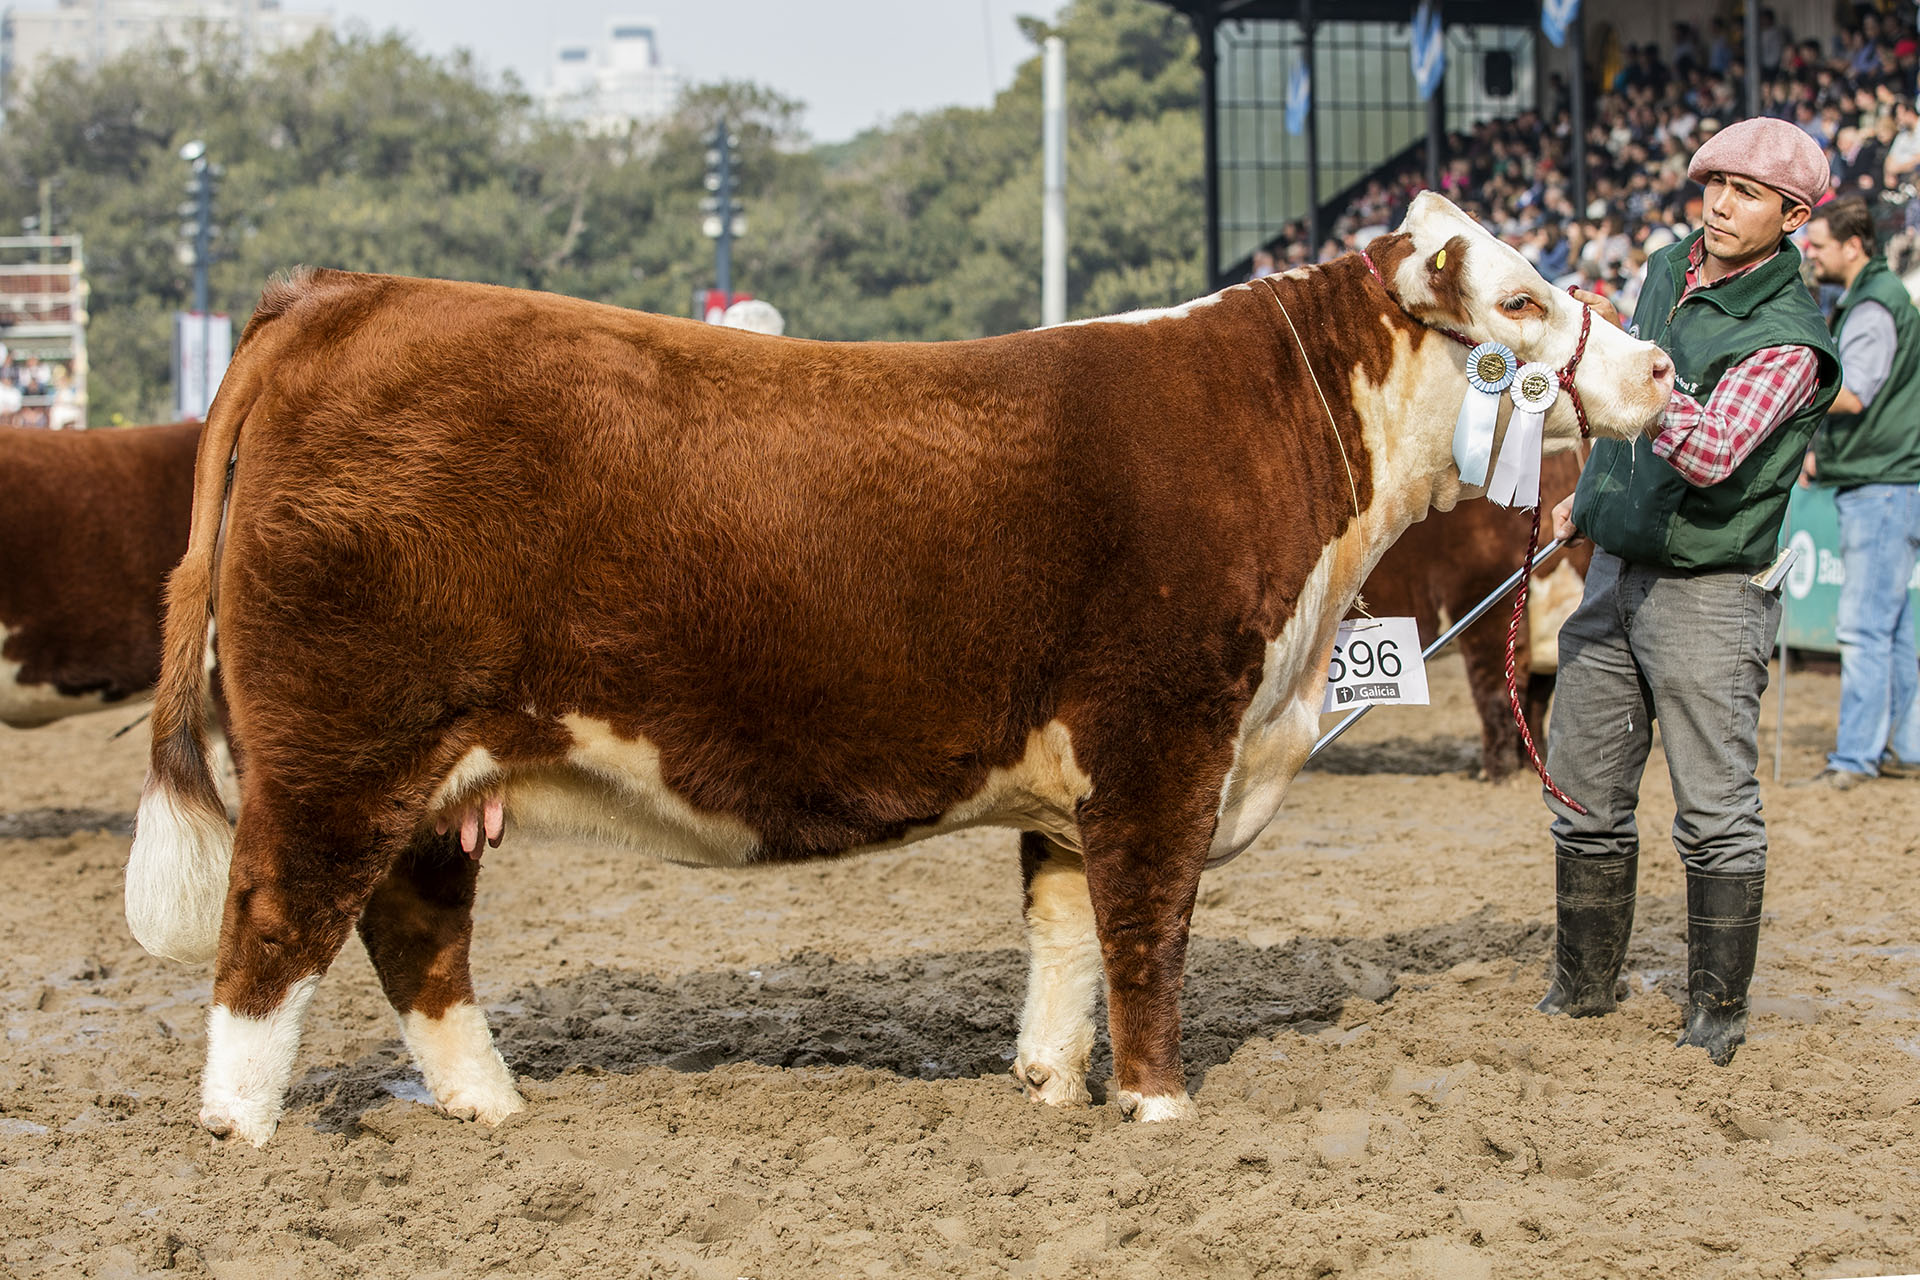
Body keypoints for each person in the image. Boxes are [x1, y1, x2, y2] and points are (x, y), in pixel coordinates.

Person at [1539, 117, 1841, 1067]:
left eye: (1746, 194)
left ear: (1793, 216)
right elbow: (1619, 419)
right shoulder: (1668, 267)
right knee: (1583, 792)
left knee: (1714, 812)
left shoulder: (1793, 340)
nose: (1717, 205)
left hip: (1712, 592)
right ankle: (1583, 987)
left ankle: (1716, 1012)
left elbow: (1708, 453)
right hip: (1616, 573)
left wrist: (1630, 376)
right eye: (1713, 183)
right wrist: (1585, 501)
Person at [1798, 197, 1920, 787]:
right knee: (1891, 626)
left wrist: (1796, 376)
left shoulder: (1872, 305)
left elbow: (1854, 394)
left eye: (1818, 243)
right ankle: (1904, 746)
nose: (1810, 253)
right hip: (1891, 479)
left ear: (1853, 245)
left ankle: (1856, 758)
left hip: (1881, 482)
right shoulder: (1874, 298)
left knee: (1866, 627)